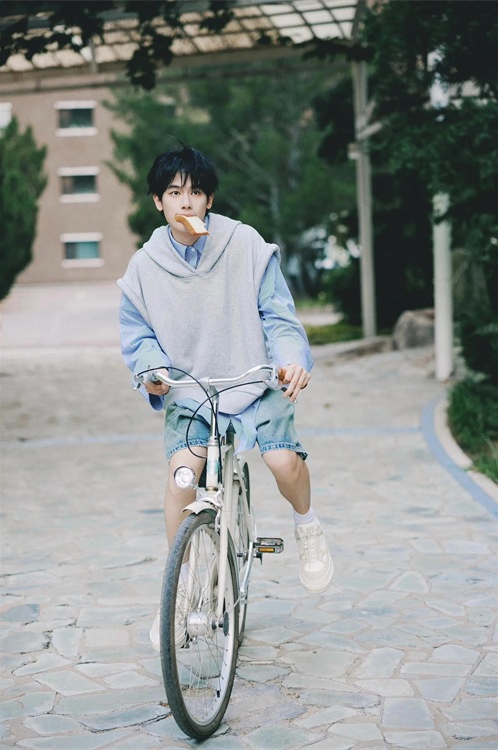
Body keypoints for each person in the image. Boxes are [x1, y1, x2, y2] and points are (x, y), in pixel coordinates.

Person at [118, 144, 333, 651]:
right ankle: (179, 589)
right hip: (191, 391)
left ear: (209, 200)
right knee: (183, 477)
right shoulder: (144, 267)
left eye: (195, 192)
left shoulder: (245, 244)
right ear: (158, 201)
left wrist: (292, 359)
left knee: (282, 462)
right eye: (174, 193)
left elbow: (278, 315)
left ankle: (307, 526)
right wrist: (151, 372)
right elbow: (138, 335)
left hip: (253, 380)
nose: (185, 202)